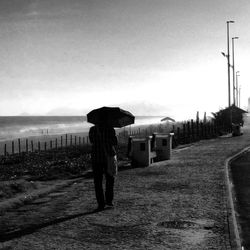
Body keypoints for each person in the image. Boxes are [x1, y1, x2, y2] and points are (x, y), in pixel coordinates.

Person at [89, 124, 118, 211]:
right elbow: (115, 142)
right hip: (108, 157)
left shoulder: (92, 129)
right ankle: (109, 200)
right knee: (110, 179)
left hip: (96, 157)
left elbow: (91, 141)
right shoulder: (110, 129)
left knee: (97, 182)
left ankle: (100, 203)